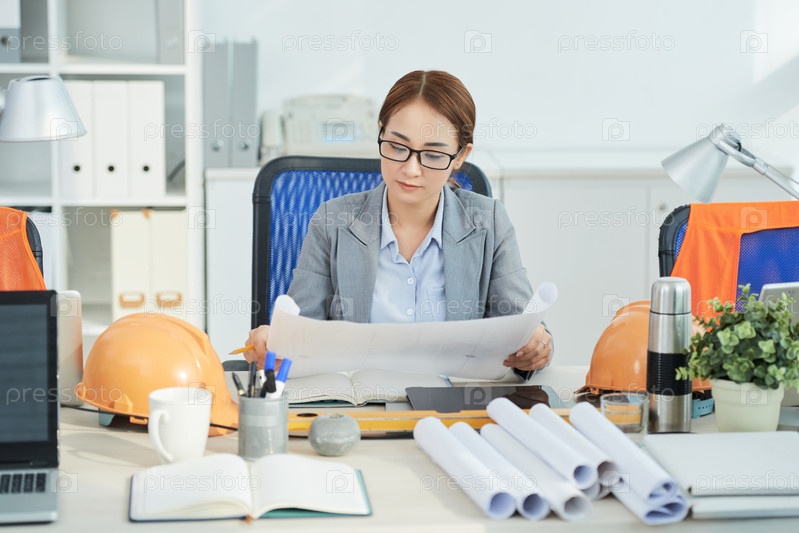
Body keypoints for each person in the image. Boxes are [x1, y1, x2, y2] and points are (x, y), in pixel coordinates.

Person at [244, 70, 552, 380]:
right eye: (397, 147)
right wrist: (274, 344)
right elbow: (299, 336)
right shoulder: (331, 221)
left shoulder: (489, 223)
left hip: (453, 402)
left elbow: (525, 331)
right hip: (359, 404)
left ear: (460, 157)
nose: (411, 169)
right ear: (381, 134)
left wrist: (535, 349)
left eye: (433, 154)